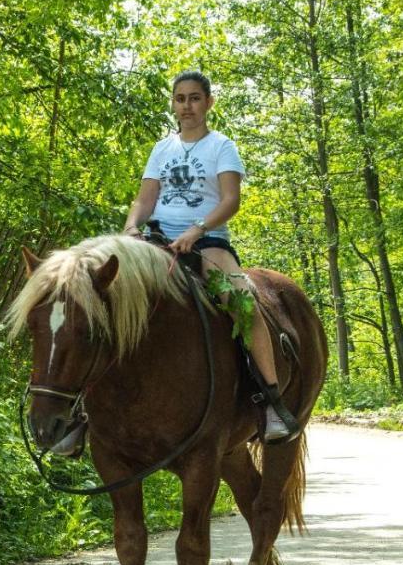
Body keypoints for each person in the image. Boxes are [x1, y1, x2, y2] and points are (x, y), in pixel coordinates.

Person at [123, 70, 298, 442]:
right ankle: (84, 410)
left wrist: (197, 230)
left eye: (194, 98)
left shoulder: (222, 146)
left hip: (207, 242)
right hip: (155, 241)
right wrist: (130, 227)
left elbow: (231, 201)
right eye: (180, 98)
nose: (187, 106)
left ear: (208, 103)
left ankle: (271, 402)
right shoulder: (161, 149)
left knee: (242, 301)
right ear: (173, 104)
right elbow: (145, 198)